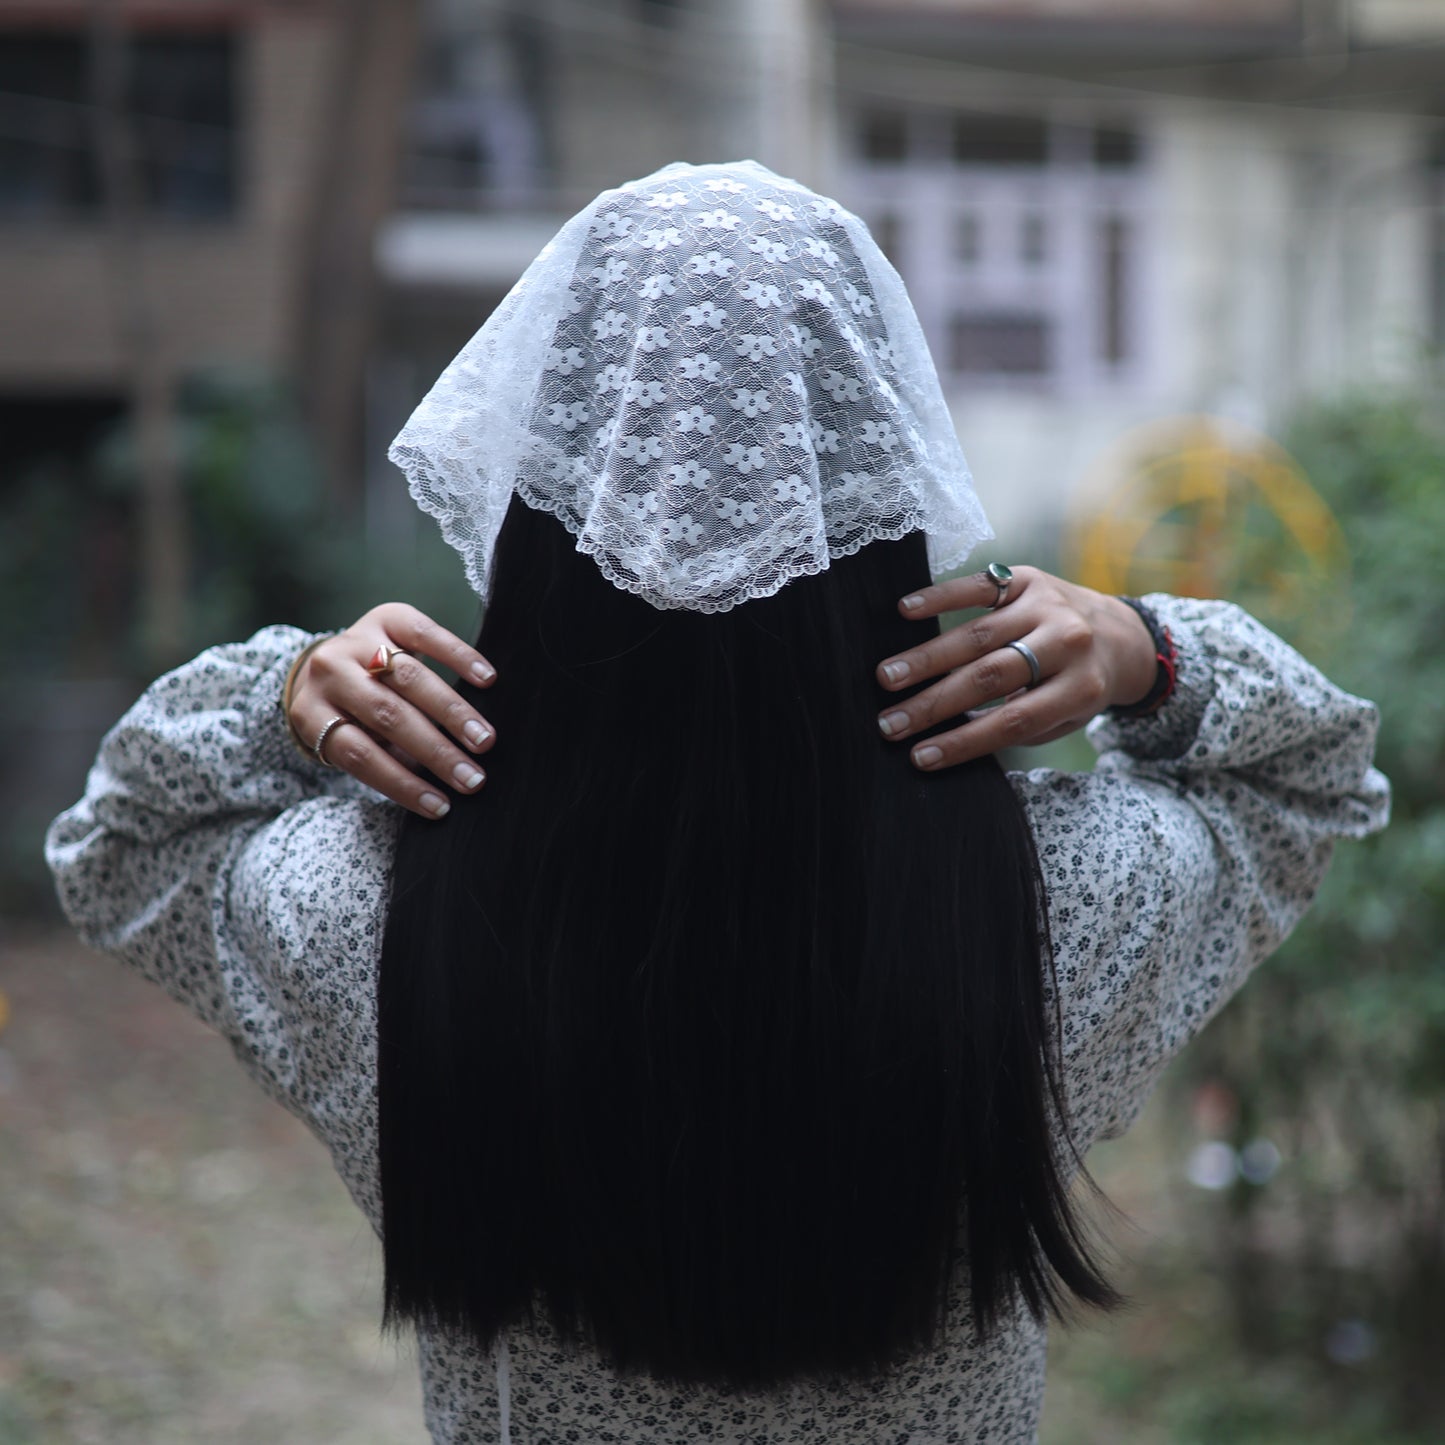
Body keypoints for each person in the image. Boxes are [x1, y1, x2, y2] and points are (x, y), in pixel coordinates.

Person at [46, 161, 1389, 1444]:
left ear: (536, 468)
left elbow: (116, 851)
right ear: (880, 463)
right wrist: (1147, 653)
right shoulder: (1062, 908)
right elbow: (1314, 781)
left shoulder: (363, 908)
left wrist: (283, 691)